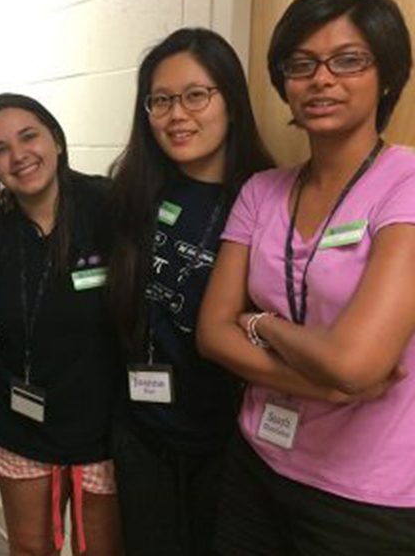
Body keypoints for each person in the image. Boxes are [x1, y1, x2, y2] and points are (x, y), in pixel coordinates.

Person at [196, 0, 415, 555]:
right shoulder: (262, 191)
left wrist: (263, 325)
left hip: (376, 495)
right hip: (260, 462)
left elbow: (357, 365)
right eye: (301, 64)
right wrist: (327, 385)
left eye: (348, 60)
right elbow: (213, 333)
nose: (321, 79)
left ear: (387, 75)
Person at [104, 28, 272, 555]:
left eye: (196, 95)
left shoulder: (265, 198)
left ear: (231, 99)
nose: (178, 115)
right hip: (141, 431)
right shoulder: (131, 191)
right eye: (161, 100)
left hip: (229, 439)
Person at [0, 93, 123, 556]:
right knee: (31, 549)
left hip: (105, 428)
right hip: (20, 423)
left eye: (29, 136)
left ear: (55, 138)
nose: (18, 156)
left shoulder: (109, 206)